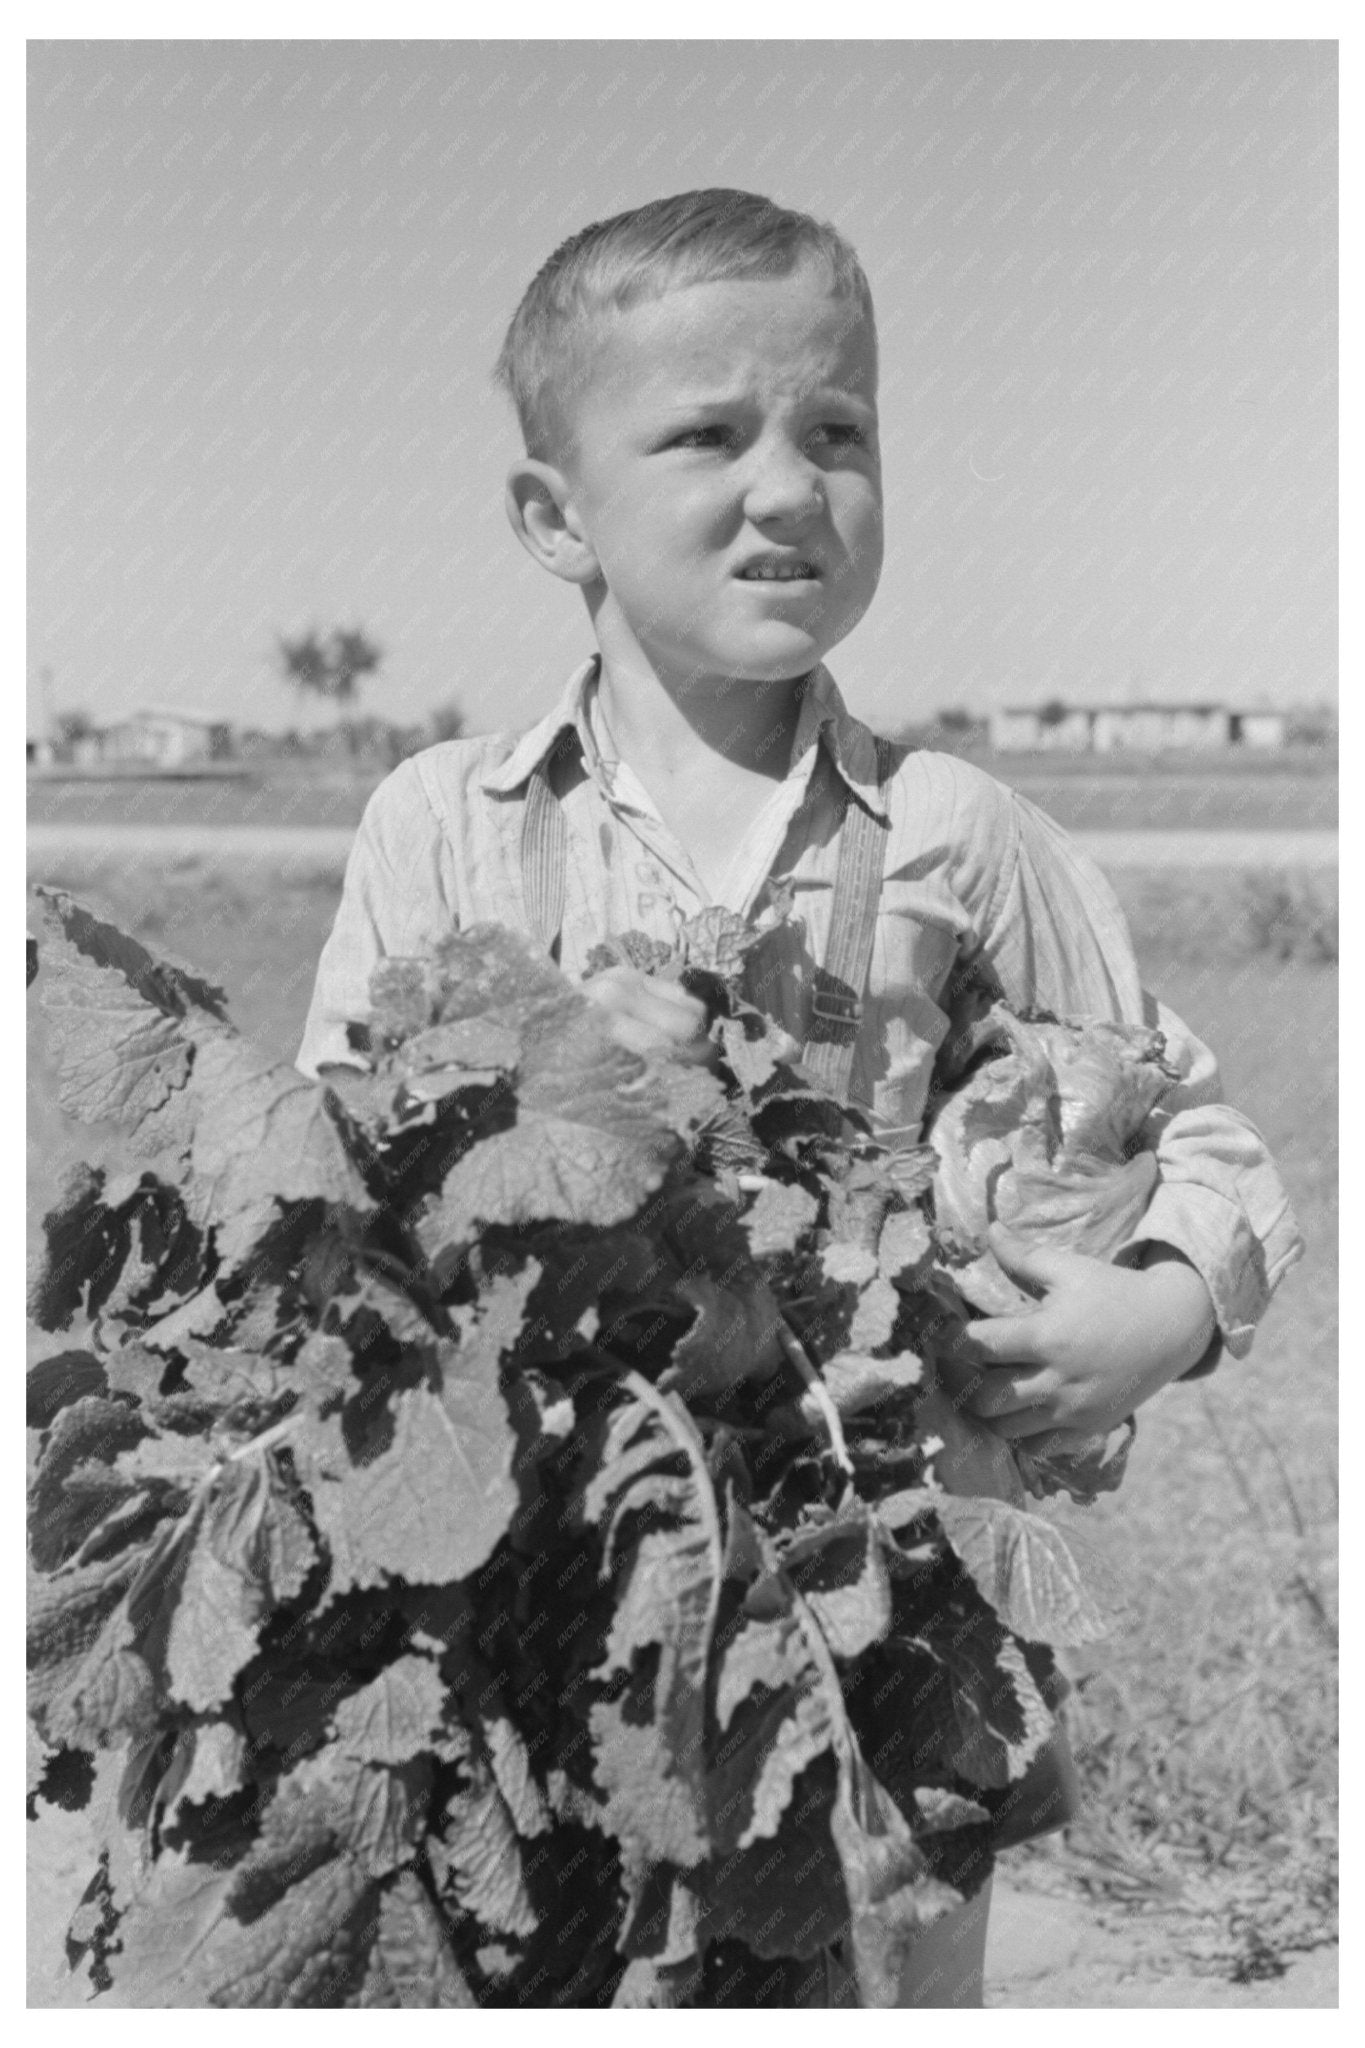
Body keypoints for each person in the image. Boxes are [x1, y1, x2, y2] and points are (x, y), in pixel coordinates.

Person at [296, 188, 1303, 2005]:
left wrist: (1153, 1310)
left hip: (892, 1567)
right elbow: (322, 1189)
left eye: (835, 431)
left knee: (892, 1966)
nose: (786, 484)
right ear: (552, 516)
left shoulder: (957, 836)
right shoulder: (439, 828)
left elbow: (1197, 1136)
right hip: (548, 1579)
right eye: (705, 433)